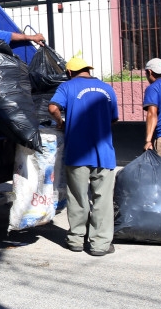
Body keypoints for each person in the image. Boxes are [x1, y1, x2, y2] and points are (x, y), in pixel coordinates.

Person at [48, 56, 119, 256]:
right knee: (102, 199)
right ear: (88, 69)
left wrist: (61, 123)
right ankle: (100, 245)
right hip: (104, 153)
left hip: (77, 152)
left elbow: (53, 107)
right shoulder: (108, 88)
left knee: (78, 197)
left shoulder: (67, 87)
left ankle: (76, 240)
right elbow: (114, 118)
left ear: (69, 72)